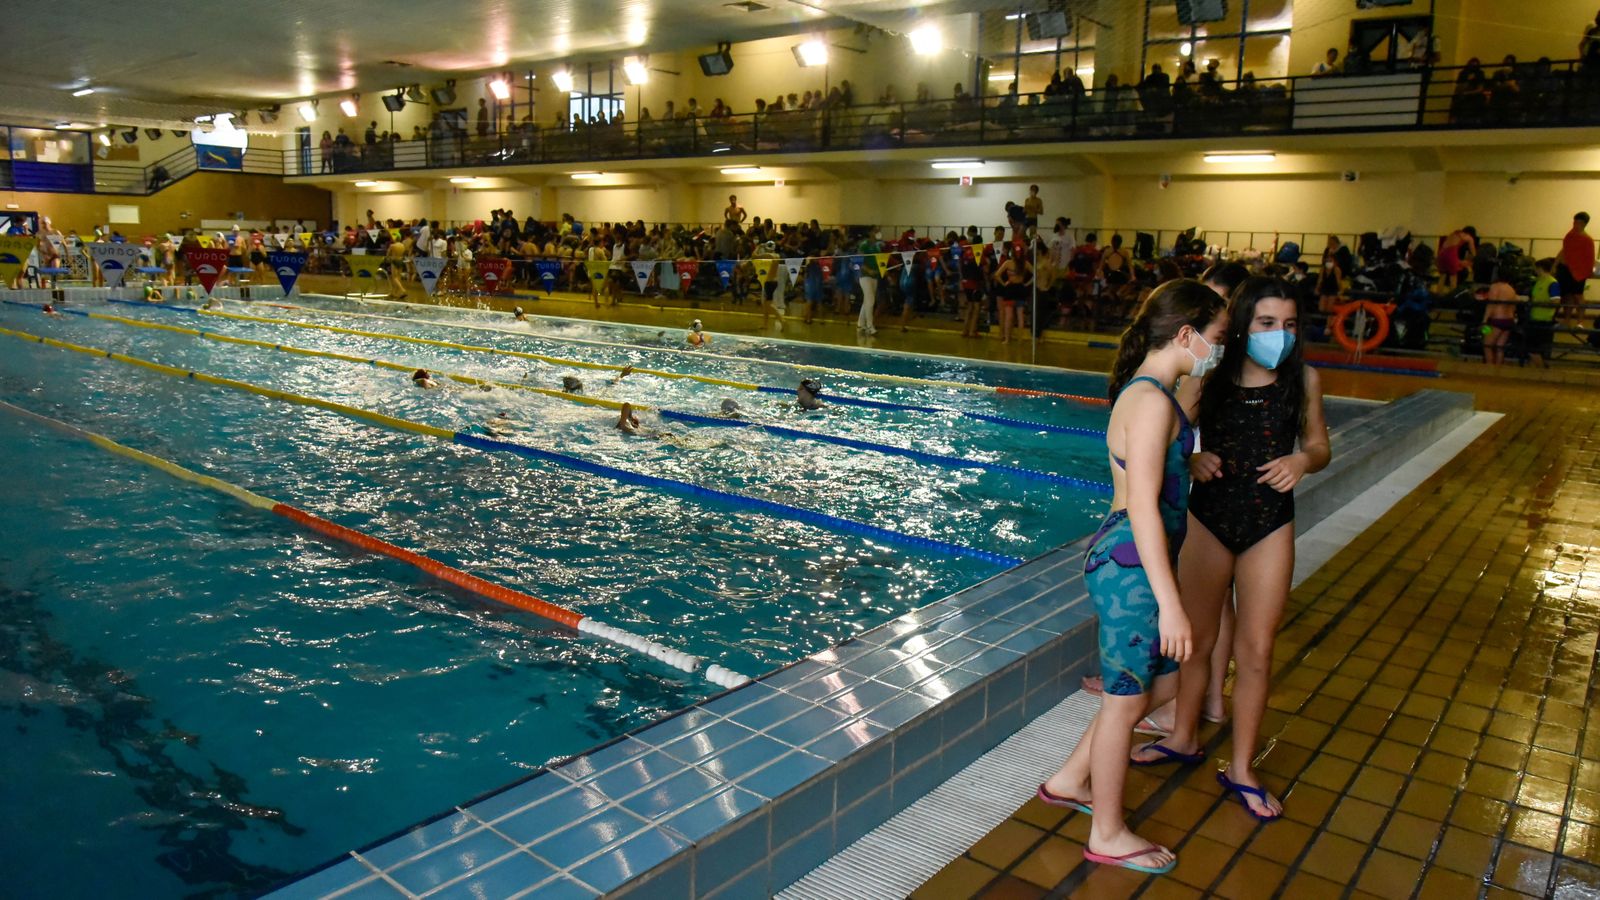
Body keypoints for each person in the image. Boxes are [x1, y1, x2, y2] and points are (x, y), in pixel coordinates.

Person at [1037, 280, 1227, 876]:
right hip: (1132, 569)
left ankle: (1071, 778)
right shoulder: (1149, 400)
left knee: (1160, 689)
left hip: (1137, 564)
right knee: (1127, 703)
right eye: (1216, 338)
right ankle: (1108, 832)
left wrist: (1187, 460)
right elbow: (1142, 505)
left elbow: (1149, 472)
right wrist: (1170, 604)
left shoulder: (1159, 397)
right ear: (1185, 334)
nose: (1218, 350)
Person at [1142, 276, 1330, 824]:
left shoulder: (1304, 381)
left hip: (1269, 525)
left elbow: (1319, 445)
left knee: (1256, 651)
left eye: (1290, 324)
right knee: (1196, 643)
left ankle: (1242, 767)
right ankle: (1183, 736)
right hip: (1210, 519)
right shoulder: (1209, 377)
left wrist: (1301, 462)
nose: (1280, 334)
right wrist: (1193, 459)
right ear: (1244, 324)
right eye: (1268, 323)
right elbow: (1168, 440)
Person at [1559, 211, 1594, 323]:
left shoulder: (1587, 239)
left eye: (1578, 223)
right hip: (1566, 268)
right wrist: (1555, 264)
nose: (1575, 225)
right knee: (1567, 296)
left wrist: (1587, 272)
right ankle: (1567, 320)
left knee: (1578, 296)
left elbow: (1590, 258)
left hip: (1579, 271)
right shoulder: (1569, 235)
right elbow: (1564, 250)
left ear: (1584, 224)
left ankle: (1580, 321)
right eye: (1575, 222)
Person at [1526, 258, 1560, 368]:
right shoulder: (1539, 281)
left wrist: (1538, 303)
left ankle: (1541, 369)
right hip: (1534, 317)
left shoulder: (1552, 283)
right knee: (1533, 347)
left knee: (1532, 347)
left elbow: (1555, 302)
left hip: (1544, 319)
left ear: (1540, 268)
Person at [995, 248, 1032, 343]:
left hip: (1010, 289)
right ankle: (1020, 339)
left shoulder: (1008, 263)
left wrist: (1004, 284)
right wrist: (1027, 283)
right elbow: (1036, 274)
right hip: (1020, 289)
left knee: (1008, 316)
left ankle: (1007, 339)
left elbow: (997, 275)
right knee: (1020, 316)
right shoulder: (1025, 263)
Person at [1480, 278, 1518, 366]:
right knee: (1499, 347)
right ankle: (1498, 370)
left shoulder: (1495, 287)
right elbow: (1514, 306)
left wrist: (1484, 320)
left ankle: (1490, 368)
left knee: (1487, 345)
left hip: (1497, 319)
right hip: (1509, 320)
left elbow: (1491, 304)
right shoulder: (1511, 289)